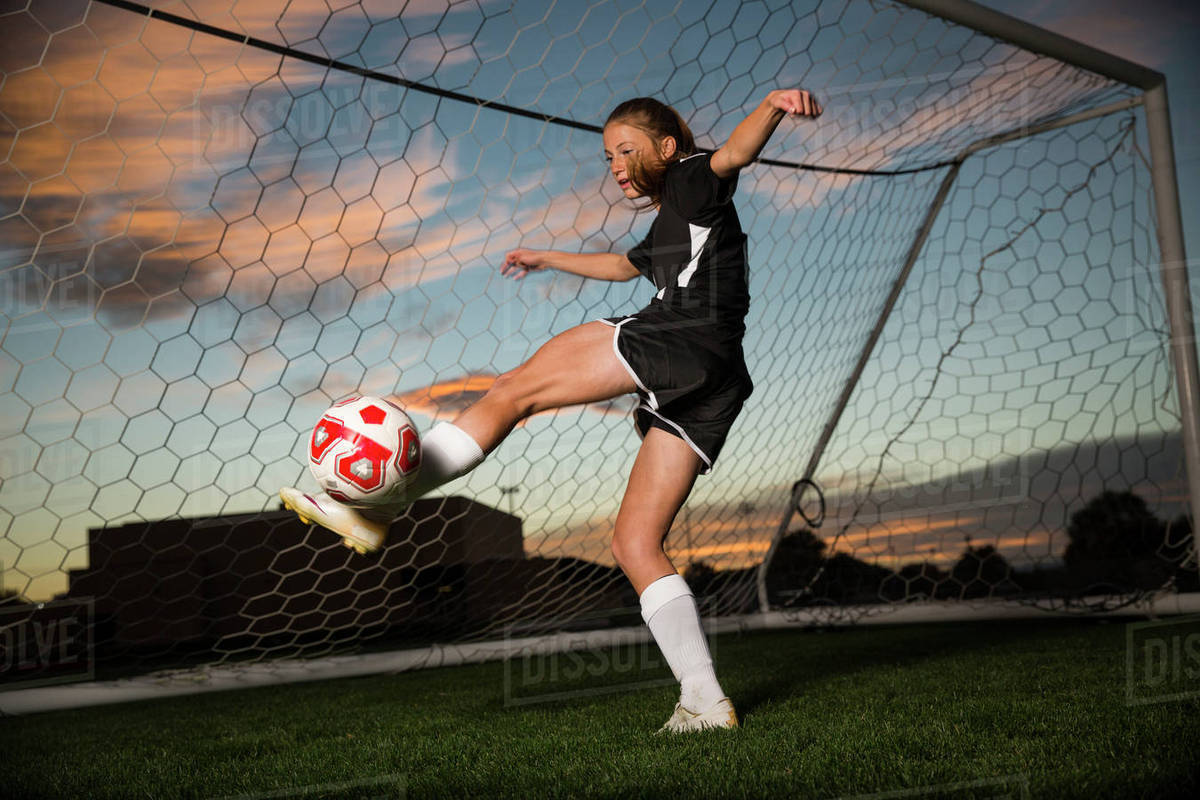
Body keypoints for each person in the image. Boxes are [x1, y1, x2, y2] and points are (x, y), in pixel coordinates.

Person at [281, 89, 822, 733]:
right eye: (607, 156)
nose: (616, 165)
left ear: (667, 147)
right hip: (717, 377)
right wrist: (545, 255)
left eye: (627, 150)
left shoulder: (691, 176)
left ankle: (379, 503)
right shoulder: (677, 212)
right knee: (634, 542)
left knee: (514, 390)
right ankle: (704, 701)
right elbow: (624, 266)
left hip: (677, 337)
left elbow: (733, 155)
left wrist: (772, 105)